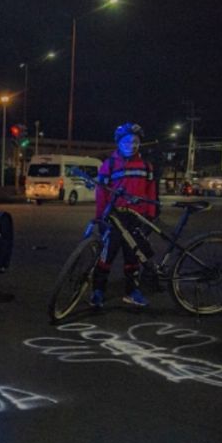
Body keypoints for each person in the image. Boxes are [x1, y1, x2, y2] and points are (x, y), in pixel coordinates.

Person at [90, 122, 158, 308]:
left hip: (136, 218)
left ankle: (132, 291)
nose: (131, 145)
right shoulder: (109, 164)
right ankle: (98, 291)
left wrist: (150, 214)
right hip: (114, 217)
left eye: (135, 142)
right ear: (119, 143)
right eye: (127, 141)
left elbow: (151, 191)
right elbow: (101, 192)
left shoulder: (146, 166)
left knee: (133, 257)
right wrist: (100, 216)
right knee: (106, 257)